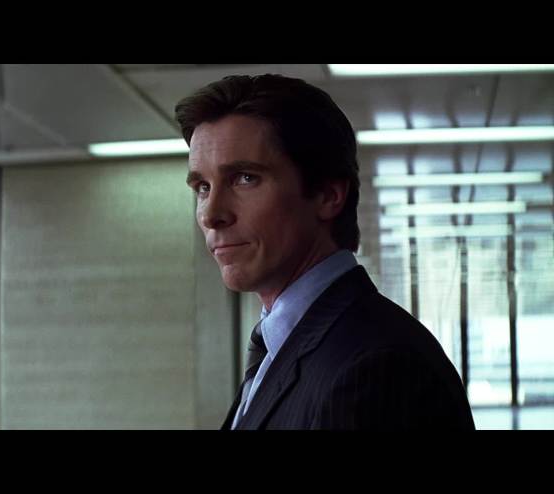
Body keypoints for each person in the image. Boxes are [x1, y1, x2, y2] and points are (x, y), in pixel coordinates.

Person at [175, 74, 475, 430]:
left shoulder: (377, 367)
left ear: (328, 195)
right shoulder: (287, 347)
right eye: (203, 187)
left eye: (245, 178)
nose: (211, 214)